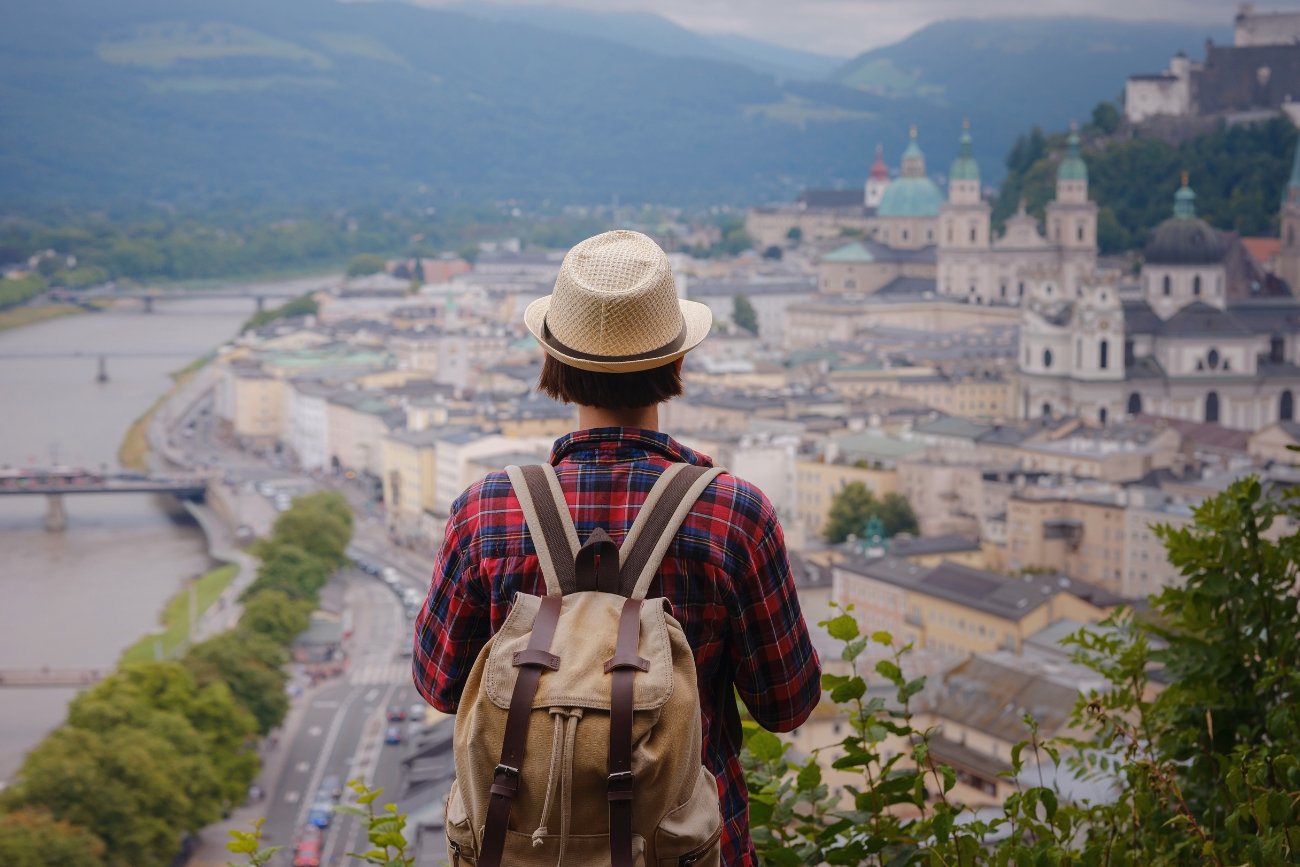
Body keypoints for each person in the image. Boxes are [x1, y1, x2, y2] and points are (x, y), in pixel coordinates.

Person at [413, 229, 820, 865]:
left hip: (524, 849)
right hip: (683, 848)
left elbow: (439, 685)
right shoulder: (734, 515)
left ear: (553, 365)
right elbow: (787, 703)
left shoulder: (485, 512)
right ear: (676, 363)